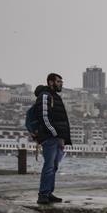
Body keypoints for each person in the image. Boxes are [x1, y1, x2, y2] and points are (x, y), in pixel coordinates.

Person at [35, 73, 72, 205]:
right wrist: (55, 134)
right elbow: (44, 118)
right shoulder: (45, 96)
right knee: (49, 166)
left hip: (57, 138)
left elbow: (61, 120)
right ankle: (43, 194)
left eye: (61, 81)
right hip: (50, 138)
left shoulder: (55, 97)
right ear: (50, 82)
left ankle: (48, 192)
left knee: (54, 167)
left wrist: (63, 138)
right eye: (58, 81)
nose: (61, 84)